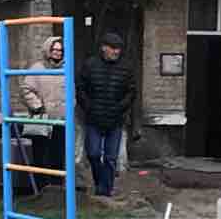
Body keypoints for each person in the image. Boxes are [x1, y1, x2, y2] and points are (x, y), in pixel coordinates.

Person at [76, 29, 135, 198]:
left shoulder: (126, 67)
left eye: (118, 49)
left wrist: (121, 107)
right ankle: (99, 183)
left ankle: (105, 191)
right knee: (93, 154)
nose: (116, 52)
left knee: (111, 158)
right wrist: (89, 107)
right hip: (94, 118)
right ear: (104, 48)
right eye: (113, 48)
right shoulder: (90, 65)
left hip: (115, 119)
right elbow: (80, 88)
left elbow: (131, 91)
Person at [19, 34, 67, 197]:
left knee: (58, 156)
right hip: (42, 120)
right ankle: (40, 190)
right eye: (54, 49)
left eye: (60, 50)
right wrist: (37, 106)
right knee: (40, 156)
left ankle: (57, 191)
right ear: (47, 50)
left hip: (60, 120)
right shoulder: (36, 68)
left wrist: (69, 107)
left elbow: (71, 91)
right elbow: (26, 89)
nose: (57, 53)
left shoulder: (66, 69)